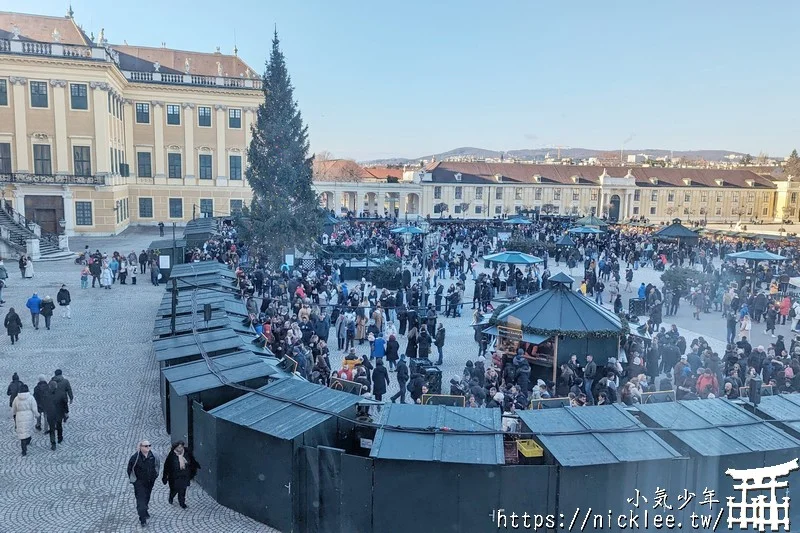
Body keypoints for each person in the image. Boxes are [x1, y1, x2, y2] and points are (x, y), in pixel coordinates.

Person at [127, 440, 160, 527]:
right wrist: (135, 482)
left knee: (147, 497)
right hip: (139, 483)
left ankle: (145, 511)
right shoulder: (135, 458)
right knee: (141, 501)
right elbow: (129, 469)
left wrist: (155, 476)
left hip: (150, 481)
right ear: (140, 447)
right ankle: (142, 519)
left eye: (149, 445)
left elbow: (157, 465)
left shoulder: (153, 455)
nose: (148, 447)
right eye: (145, 446)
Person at [162, 441, 200, 509]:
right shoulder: (172, 455)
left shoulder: (187, 453)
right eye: (179, 447)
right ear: (175, 448)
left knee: (182, 490)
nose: (181, 448)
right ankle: (171, 497)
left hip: (184, 475)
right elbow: (166, 466)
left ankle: (182, 503)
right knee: (174, 490)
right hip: (175, 477)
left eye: (182, 446)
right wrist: (164, 477)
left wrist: (195, 466)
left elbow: (192, 460)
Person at [11, 383, 37, 456]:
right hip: (29, 416)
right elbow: (34, 408)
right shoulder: (31, 398)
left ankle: (24, 450)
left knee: (22, 431)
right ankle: (28, 440)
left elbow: (13, 409)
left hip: (19, 416)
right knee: (28, 429)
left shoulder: (16, 399)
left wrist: (14, 415)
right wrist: (37, 415)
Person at [42, 379, 68, 450]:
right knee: (59, 425)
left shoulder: (46, 394)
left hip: (50, 414)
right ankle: (60, 437)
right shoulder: (61, 393)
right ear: (56, 386)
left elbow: (44, 404)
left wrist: (45, 411)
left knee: (52, 429)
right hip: (59, 413)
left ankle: (53, 443)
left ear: (50, 386)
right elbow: (65, 403)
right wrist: (66, 412)